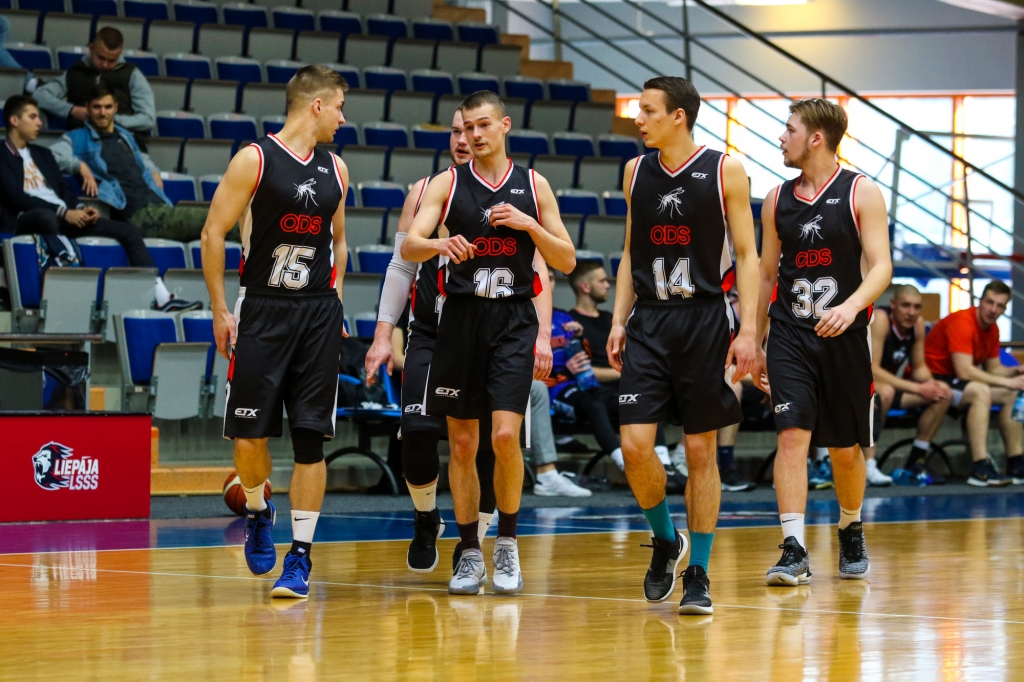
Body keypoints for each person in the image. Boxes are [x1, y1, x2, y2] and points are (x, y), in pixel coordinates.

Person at [403, 90, 576, 596]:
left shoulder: (533, 184)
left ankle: (508, 543)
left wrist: (529, 225)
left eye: (483, 126)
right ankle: (470, 553)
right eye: (467, 128)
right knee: (461, 442)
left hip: (512, 322)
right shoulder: (447, 182)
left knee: (503, 438)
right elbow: (410, 244)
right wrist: (439, 243)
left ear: (504, 125)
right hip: (460, 320)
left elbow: (565, 259)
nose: (474, 136)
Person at [607, 76, 760, 616]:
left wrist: (748, 332)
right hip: (649, 319)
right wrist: (619, 318)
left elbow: (748, 254)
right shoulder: (635, 171)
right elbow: (629, 251)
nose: (638, 119)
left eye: (647, 111)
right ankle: (666, 539)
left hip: (704, 318)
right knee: (634, 445)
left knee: (700, 452)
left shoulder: (726, 170)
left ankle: (699, 572)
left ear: (679, 117)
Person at [201, 65, 350, 599]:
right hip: (262, 309)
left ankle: (301, 557)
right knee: (248, 439)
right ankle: (260, 510)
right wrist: (222, 310)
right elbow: (213, 233)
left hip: (316, 313)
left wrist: (334, 299)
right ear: (315, 105)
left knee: (311, 439)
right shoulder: (254, 159)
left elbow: (338, 238)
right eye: (338, 107)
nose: (342, 117)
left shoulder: (339, 168)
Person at [755, 98, 892, 586]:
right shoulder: (776, 198)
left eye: (788, 129)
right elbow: (766, 272)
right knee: (791, 437)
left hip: (844, 334)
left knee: (844, 448)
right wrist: (753, 338)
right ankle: (793, 548)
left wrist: (852, 305)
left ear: (816, 137)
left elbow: (882, 266)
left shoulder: (861, 192)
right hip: (790, 331)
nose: (781, 137)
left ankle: (851, 526)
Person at [0, 95, 197, 312]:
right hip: (27, 219)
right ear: (14, 120)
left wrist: (81, 209)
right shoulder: (2, 154)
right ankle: (61, 300)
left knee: (129, 231)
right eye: (33, 117)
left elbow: (64, 191)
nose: (39, 122)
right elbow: (15, 196)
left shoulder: (43, 154)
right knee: (45, 218)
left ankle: (162, 297)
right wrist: (63, 212)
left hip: (65, 216)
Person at [52, 85, 221, 243]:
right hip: (136, 215)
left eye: (108, 107)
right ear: (87, 108)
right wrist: (79, 165)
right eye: (97, 107)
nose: (102, 113)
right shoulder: (77, 138)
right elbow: (51, 155)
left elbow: (142, 160)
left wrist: (153, 170)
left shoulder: (125, 136)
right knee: (224, 221)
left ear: (116, 108)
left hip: (159, 205)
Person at [924, 281, 1022, 486]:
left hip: (956, 381)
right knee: (980, 391)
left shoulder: (992, 329)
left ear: (1005, 308)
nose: (993, 310)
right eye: (989, 303)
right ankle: (980, 466)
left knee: (1010, 394)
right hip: (933, 379)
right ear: (980, 301)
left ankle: (1016, 462)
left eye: (1000, 306)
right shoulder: (963, 322)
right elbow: (965, 370)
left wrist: (1015, 371)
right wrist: (1009, 382)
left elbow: (994, 367)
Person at [864, 284, 952, 486]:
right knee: (884, 392)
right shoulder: (880, 320)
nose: (911, 312)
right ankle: (869, 465)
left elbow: (919, 367)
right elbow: (873, 370)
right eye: (905, 306)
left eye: (916, 307)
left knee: (942, 393)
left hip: (891, 387)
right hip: (859, 384)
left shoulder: (917, 325)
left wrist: (931, 386)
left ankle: (916, 461)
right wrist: (919, 389)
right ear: (893, 304)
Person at [34, 27, 155, 135]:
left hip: (120, 140)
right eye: (101, 57)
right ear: (91, 48)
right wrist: (71, 110)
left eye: (112, 60)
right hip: (81, 140)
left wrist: (108, 119)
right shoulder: (76, 71)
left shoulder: (132, 74)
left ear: (119, 54)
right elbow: (39, 95)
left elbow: (148, 119)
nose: (105, 64)